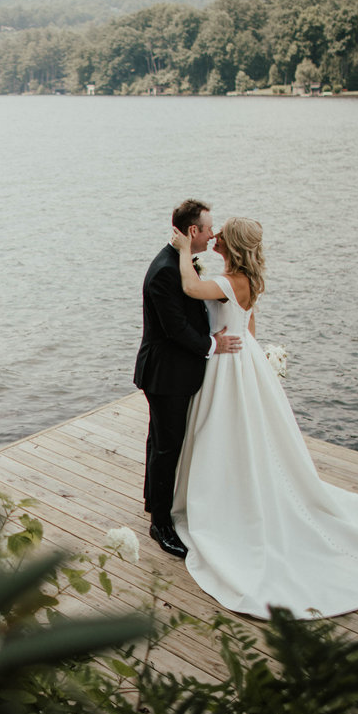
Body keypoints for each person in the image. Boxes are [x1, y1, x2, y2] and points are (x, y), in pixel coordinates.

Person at [168, 217, 358, 617]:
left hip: (230, 362)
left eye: (222, 235)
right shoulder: (243, 279)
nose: (216, 237)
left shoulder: (232, 282)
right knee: (237, 435)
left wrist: (184, 251)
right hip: (240, 358)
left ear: (234, 245)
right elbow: (250, 324)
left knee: (224, 434)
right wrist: (253, 364)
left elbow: (190, 287)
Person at [134, 200, 241, 558]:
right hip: (166, 375)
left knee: (160, 441)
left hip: (170, 372)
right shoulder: (165, 270)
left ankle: (154, 502)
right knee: (167, 447)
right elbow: (175, 328)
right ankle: (160, 525)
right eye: (209, 229)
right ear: (193, 231)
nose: (213, 235)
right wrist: (214, 344)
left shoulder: (175, 262)